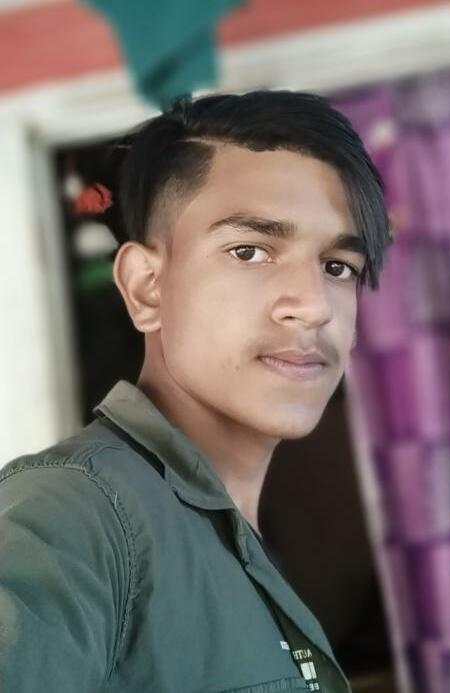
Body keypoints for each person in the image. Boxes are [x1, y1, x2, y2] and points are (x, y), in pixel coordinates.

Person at [0, 90, 391, 692]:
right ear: (146, 287)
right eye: (250, 251)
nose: (314, 305)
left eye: (338, 266)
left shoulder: (234, 544)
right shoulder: (70, 516)